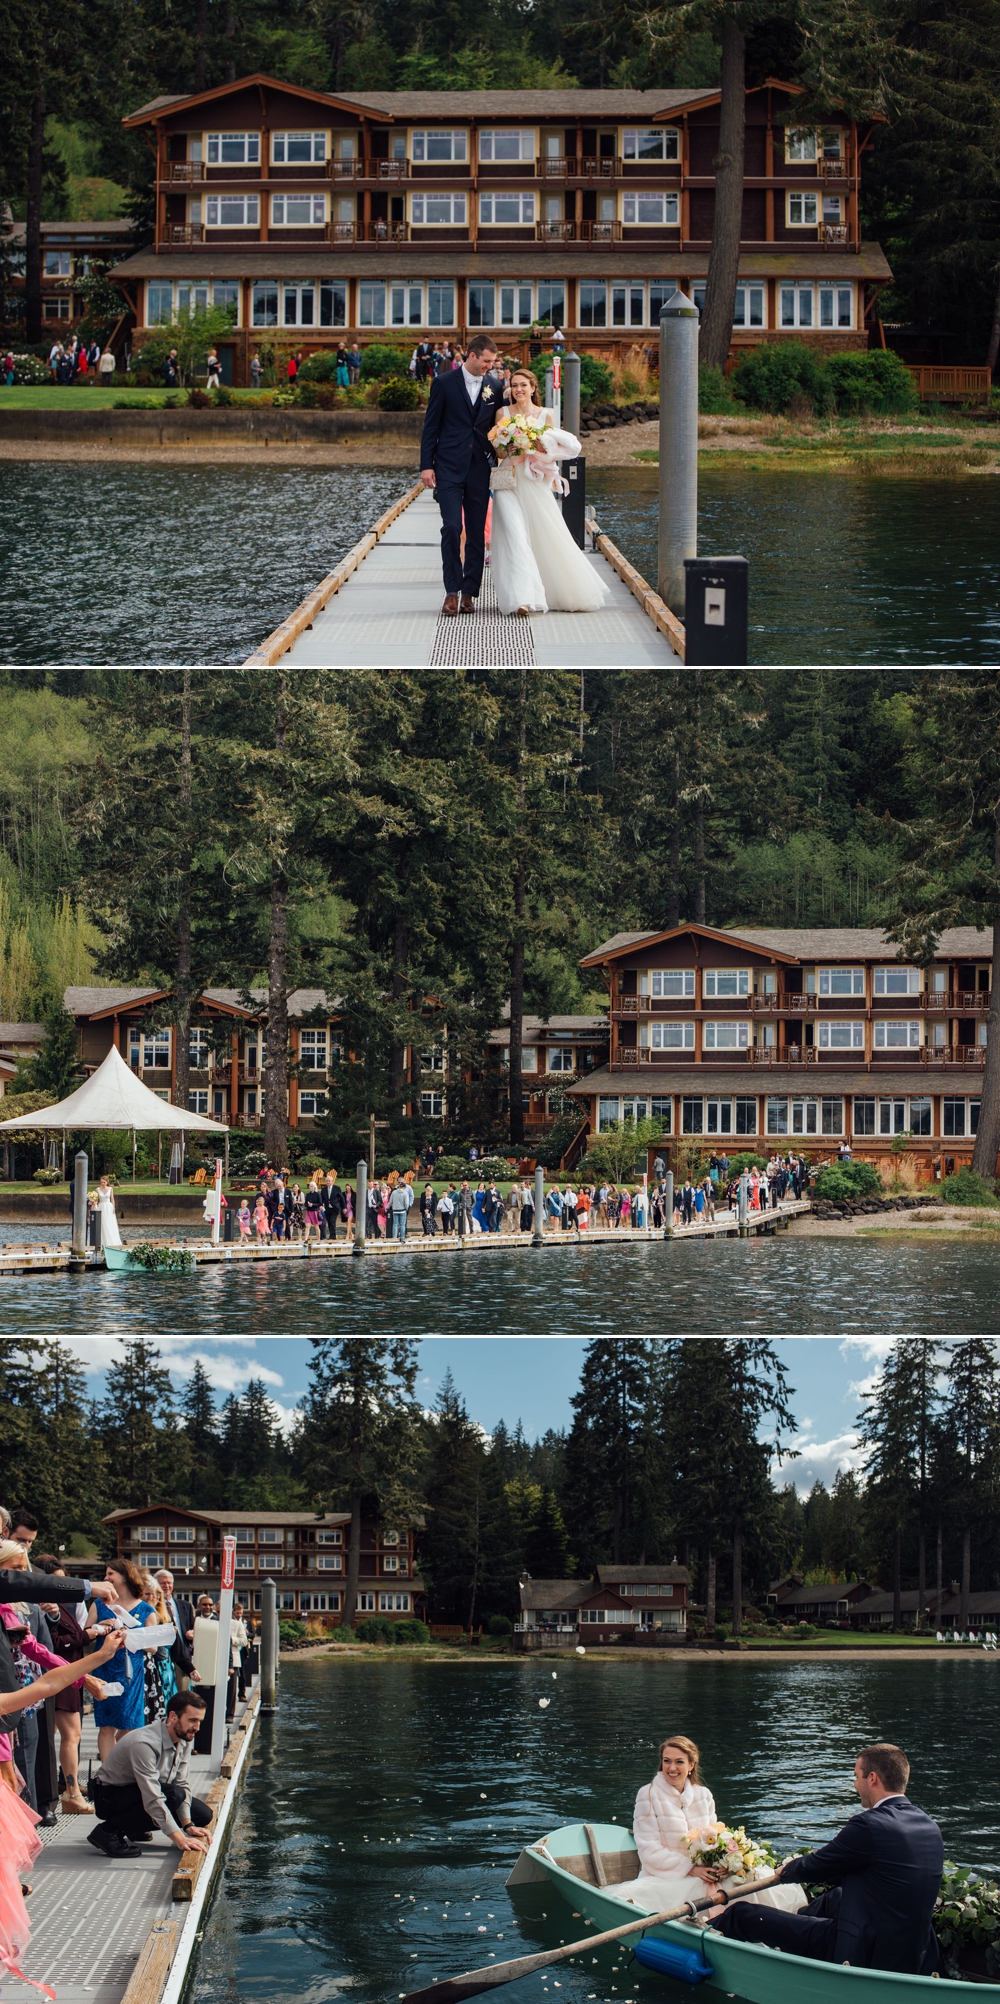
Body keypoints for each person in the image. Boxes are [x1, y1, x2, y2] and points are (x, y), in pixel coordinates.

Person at [710, 1742, 944, 1974]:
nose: (855, 1785)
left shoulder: (870, 1824)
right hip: (914, 1950)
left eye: (857, 1777)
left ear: (872, 1778)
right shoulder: (929, 1827)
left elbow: (819, 1864)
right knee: (837, 1897)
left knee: (742, 1914)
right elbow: (868, 1871)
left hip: (863, 1950)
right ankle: (791, 1929)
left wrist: (787, 1870)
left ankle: (696, 1942)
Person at [488, 367, 608, 617]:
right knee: (515, 537)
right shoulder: (503, 413)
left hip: (534, 482)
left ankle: (555, 589)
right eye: (514, 385)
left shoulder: (546, 415)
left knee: (544, 534)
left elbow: (553, 451)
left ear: (533, 388)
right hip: (508, 481)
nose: (519, 389)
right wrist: (511, 445)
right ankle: (523, 599)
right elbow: (498, 453)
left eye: (524, 385)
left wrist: (532, 448)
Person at [419, 332, 503, 616]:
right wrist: (426, 465)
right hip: (448, 466)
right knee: (452, 527)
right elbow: (431, 426)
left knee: (477, 533)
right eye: (486, 361)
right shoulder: (443, 383)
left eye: (492, 362)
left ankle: (469, 593)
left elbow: (498, 425)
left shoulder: (495, 385)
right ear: (472, 356)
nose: (490, 366)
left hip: (480, 466)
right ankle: (451, 592)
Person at [89, 1689, 214, 1859]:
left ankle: (133, 1827)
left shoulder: (184, 1736)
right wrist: (179, 1838)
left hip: (140, 1792)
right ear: (173, 1717)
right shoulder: (144, 1743)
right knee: (172, 1795)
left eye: (200, 1721)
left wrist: (188, 1825)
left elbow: (182, 1783)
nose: (197, 1728)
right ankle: (107, 1832)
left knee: (202, 1814)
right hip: (109, 1797)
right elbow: (153, 1796)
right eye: (192, 1720)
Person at [32, 1554, 96, 1813]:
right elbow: (58, 1643)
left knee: (64, 1736)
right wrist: (89, 1635)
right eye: (56, 1582)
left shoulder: (61, 1605)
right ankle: (69, 1793)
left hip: (66, 1676)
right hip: (58, 1676)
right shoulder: (44, 1606)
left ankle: (65, 1791)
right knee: (68, 1736)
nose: (60, 1587)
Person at [85, 1559, 158, 1761]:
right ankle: (107, 1776)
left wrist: (131, 1635)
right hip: (103, 1668)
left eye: (110, 1574)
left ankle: (118, 1765)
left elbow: (154, 1647)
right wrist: (99, 1627)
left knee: (129, 1724)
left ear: (124, 1577)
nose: (106, 1578)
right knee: (106, 1725)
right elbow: (85, 1635)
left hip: (130, 1673)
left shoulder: (145, 1609)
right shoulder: (98, 1605)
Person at [155, 1569, 195, 1689]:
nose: (166, 1586)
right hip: (162, 1658)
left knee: (183, 1693)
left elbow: (193, 1627)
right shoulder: (152, 1606)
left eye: (169, 1583)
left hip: (183, 1657)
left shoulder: (186, 1606)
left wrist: (192, 1633)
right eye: (162, 1583)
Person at [93, 1173, 122, 1247]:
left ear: (107, 1182)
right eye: (101, 1182)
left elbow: (112, 1199)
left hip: (108, 1207)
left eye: (104, 1182)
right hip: (101, 1206)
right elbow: (96, 1200)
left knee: (109, 1223)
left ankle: (111, 1242)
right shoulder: (97, 1189)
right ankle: (101, 1242)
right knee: (102, 1224)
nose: (102, 1184)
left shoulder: (110, 1189)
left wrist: (113, 1207)